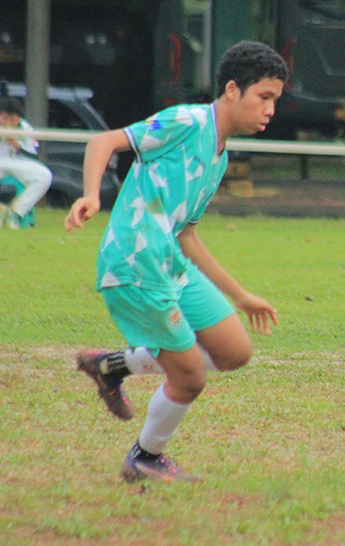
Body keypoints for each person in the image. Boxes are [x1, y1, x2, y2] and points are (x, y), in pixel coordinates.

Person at [64, 41, 289, 482]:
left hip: (171, 266)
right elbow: (106, 141)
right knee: (190, 378)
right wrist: (91, 194)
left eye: (275, 100)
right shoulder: (187, 122)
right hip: (134, 265)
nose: (270, 110)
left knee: (235, 351)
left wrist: (241, 296)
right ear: (232, 90)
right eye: (264, 97)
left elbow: (186, 236)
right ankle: (144, 458)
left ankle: (111, 366)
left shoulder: (220, 157)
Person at [0, 97, 53, 229]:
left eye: (13, 119)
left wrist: (18, 146)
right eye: (5, 118)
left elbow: (33, 155)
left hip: (16, 163)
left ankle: (16, 212)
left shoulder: (25, 127)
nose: (10, 123)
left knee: (44, 175)